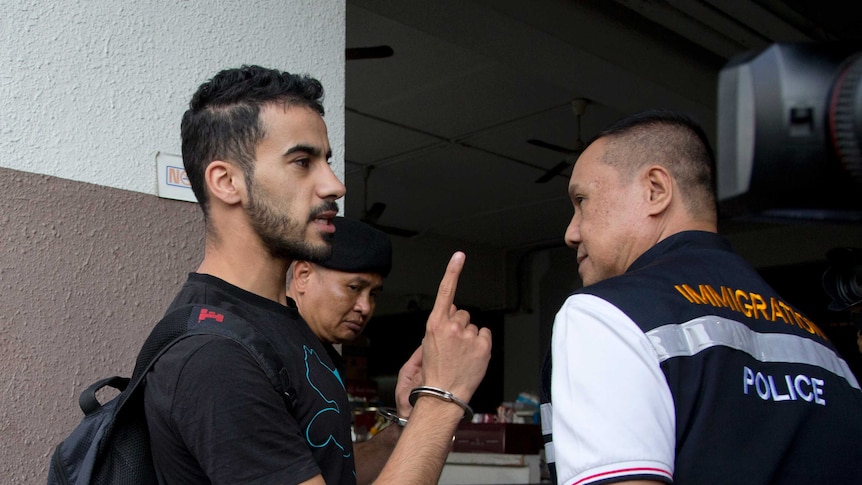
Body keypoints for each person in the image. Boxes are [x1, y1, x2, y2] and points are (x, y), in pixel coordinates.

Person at [143, 65, 491, 485]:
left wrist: (407, 423)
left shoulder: (284, 322)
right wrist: (443, 399)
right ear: (227, 181)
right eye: (303, 162)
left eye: (327, 161)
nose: (335, 185)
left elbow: (325, 469)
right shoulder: (213, 356)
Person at [539, 110, 862, 484]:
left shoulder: (605, 315)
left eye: (582, 200)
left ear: (655, 190)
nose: (571, 232)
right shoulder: (825, 351)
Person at [285, 215, 403, 484]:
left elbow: (336, 470)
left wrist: (404, 425)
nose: (365, 307)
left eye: (373, 294)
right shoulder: (268, 353)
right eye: (354, 288)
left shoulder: (324, 356)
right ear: (303, 275)